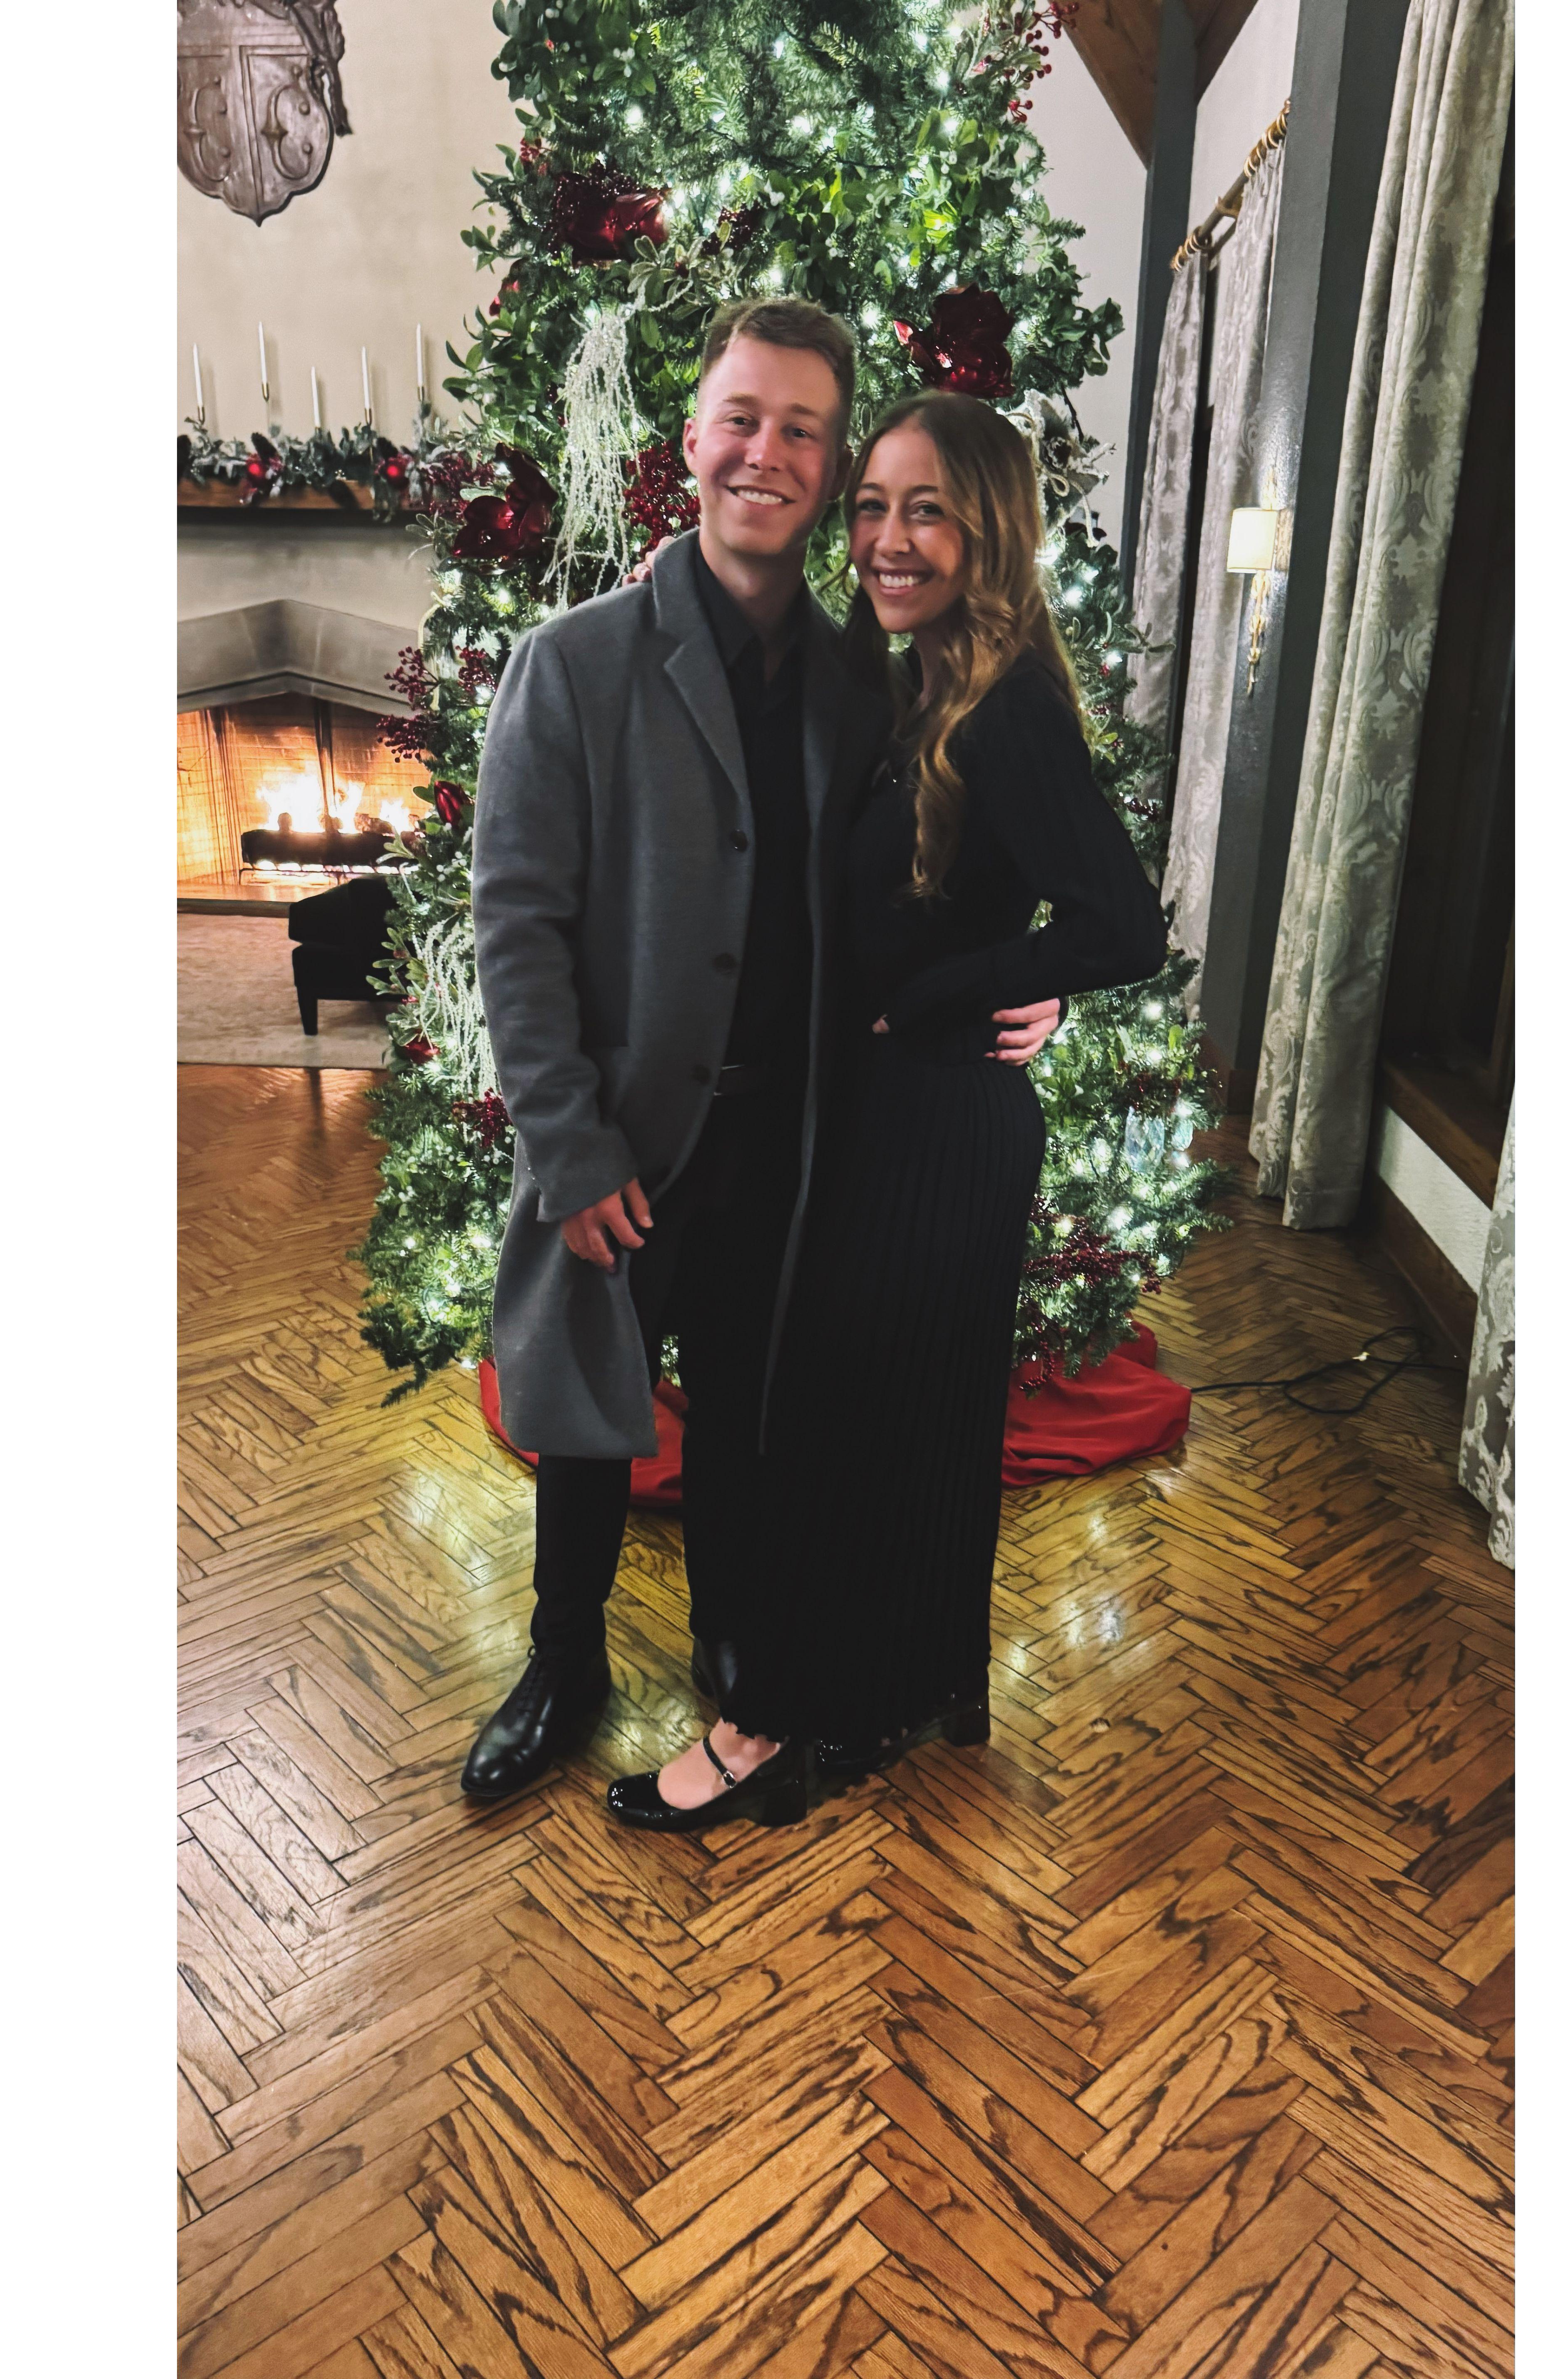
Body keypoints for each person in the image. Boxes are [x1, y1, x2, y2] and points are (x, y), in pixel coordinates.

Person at [464, 303, 1060, 1808]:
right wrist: (568, 1147)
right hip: (624, 1142)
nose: (766, 453)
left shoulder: (877, 683)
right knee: (589, 1419)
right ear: (692, 439)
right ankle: (563, 1662)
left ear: (833, 469)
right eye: (742, 418)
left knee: (752, 1415)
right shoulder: (575, 662)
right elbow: (517, 925)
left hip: (802, 1146)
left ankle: (737, 1644)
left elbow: (948, 879)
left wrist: (1031, 986)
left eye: (804, 431)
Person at [620, 387, 1167, 1808]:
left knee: (854, 1427)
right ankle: (885, 1699)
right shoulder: (909, 679)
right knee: (897, 1426)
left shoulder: (1010, 705)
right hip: (888, 1115)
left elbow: (1122, 925)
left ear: (990, 528)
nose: (887, 539)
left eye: (928, 511)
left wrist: (952, 995)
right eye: (871, 507)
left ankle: (776, 1735)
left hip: (936, 1125)